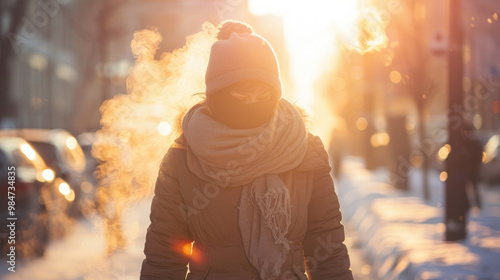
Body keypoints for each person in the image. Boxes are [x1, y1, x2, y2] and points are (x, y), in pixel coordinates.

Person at [140, 20, 353, 280]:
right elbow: (164, 255)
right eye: (240, 95)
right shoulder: (185, 156)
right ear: (216, 95)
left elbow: (327, 251)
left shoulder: (304, 149)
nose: (251, 104)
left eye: (262, 94)